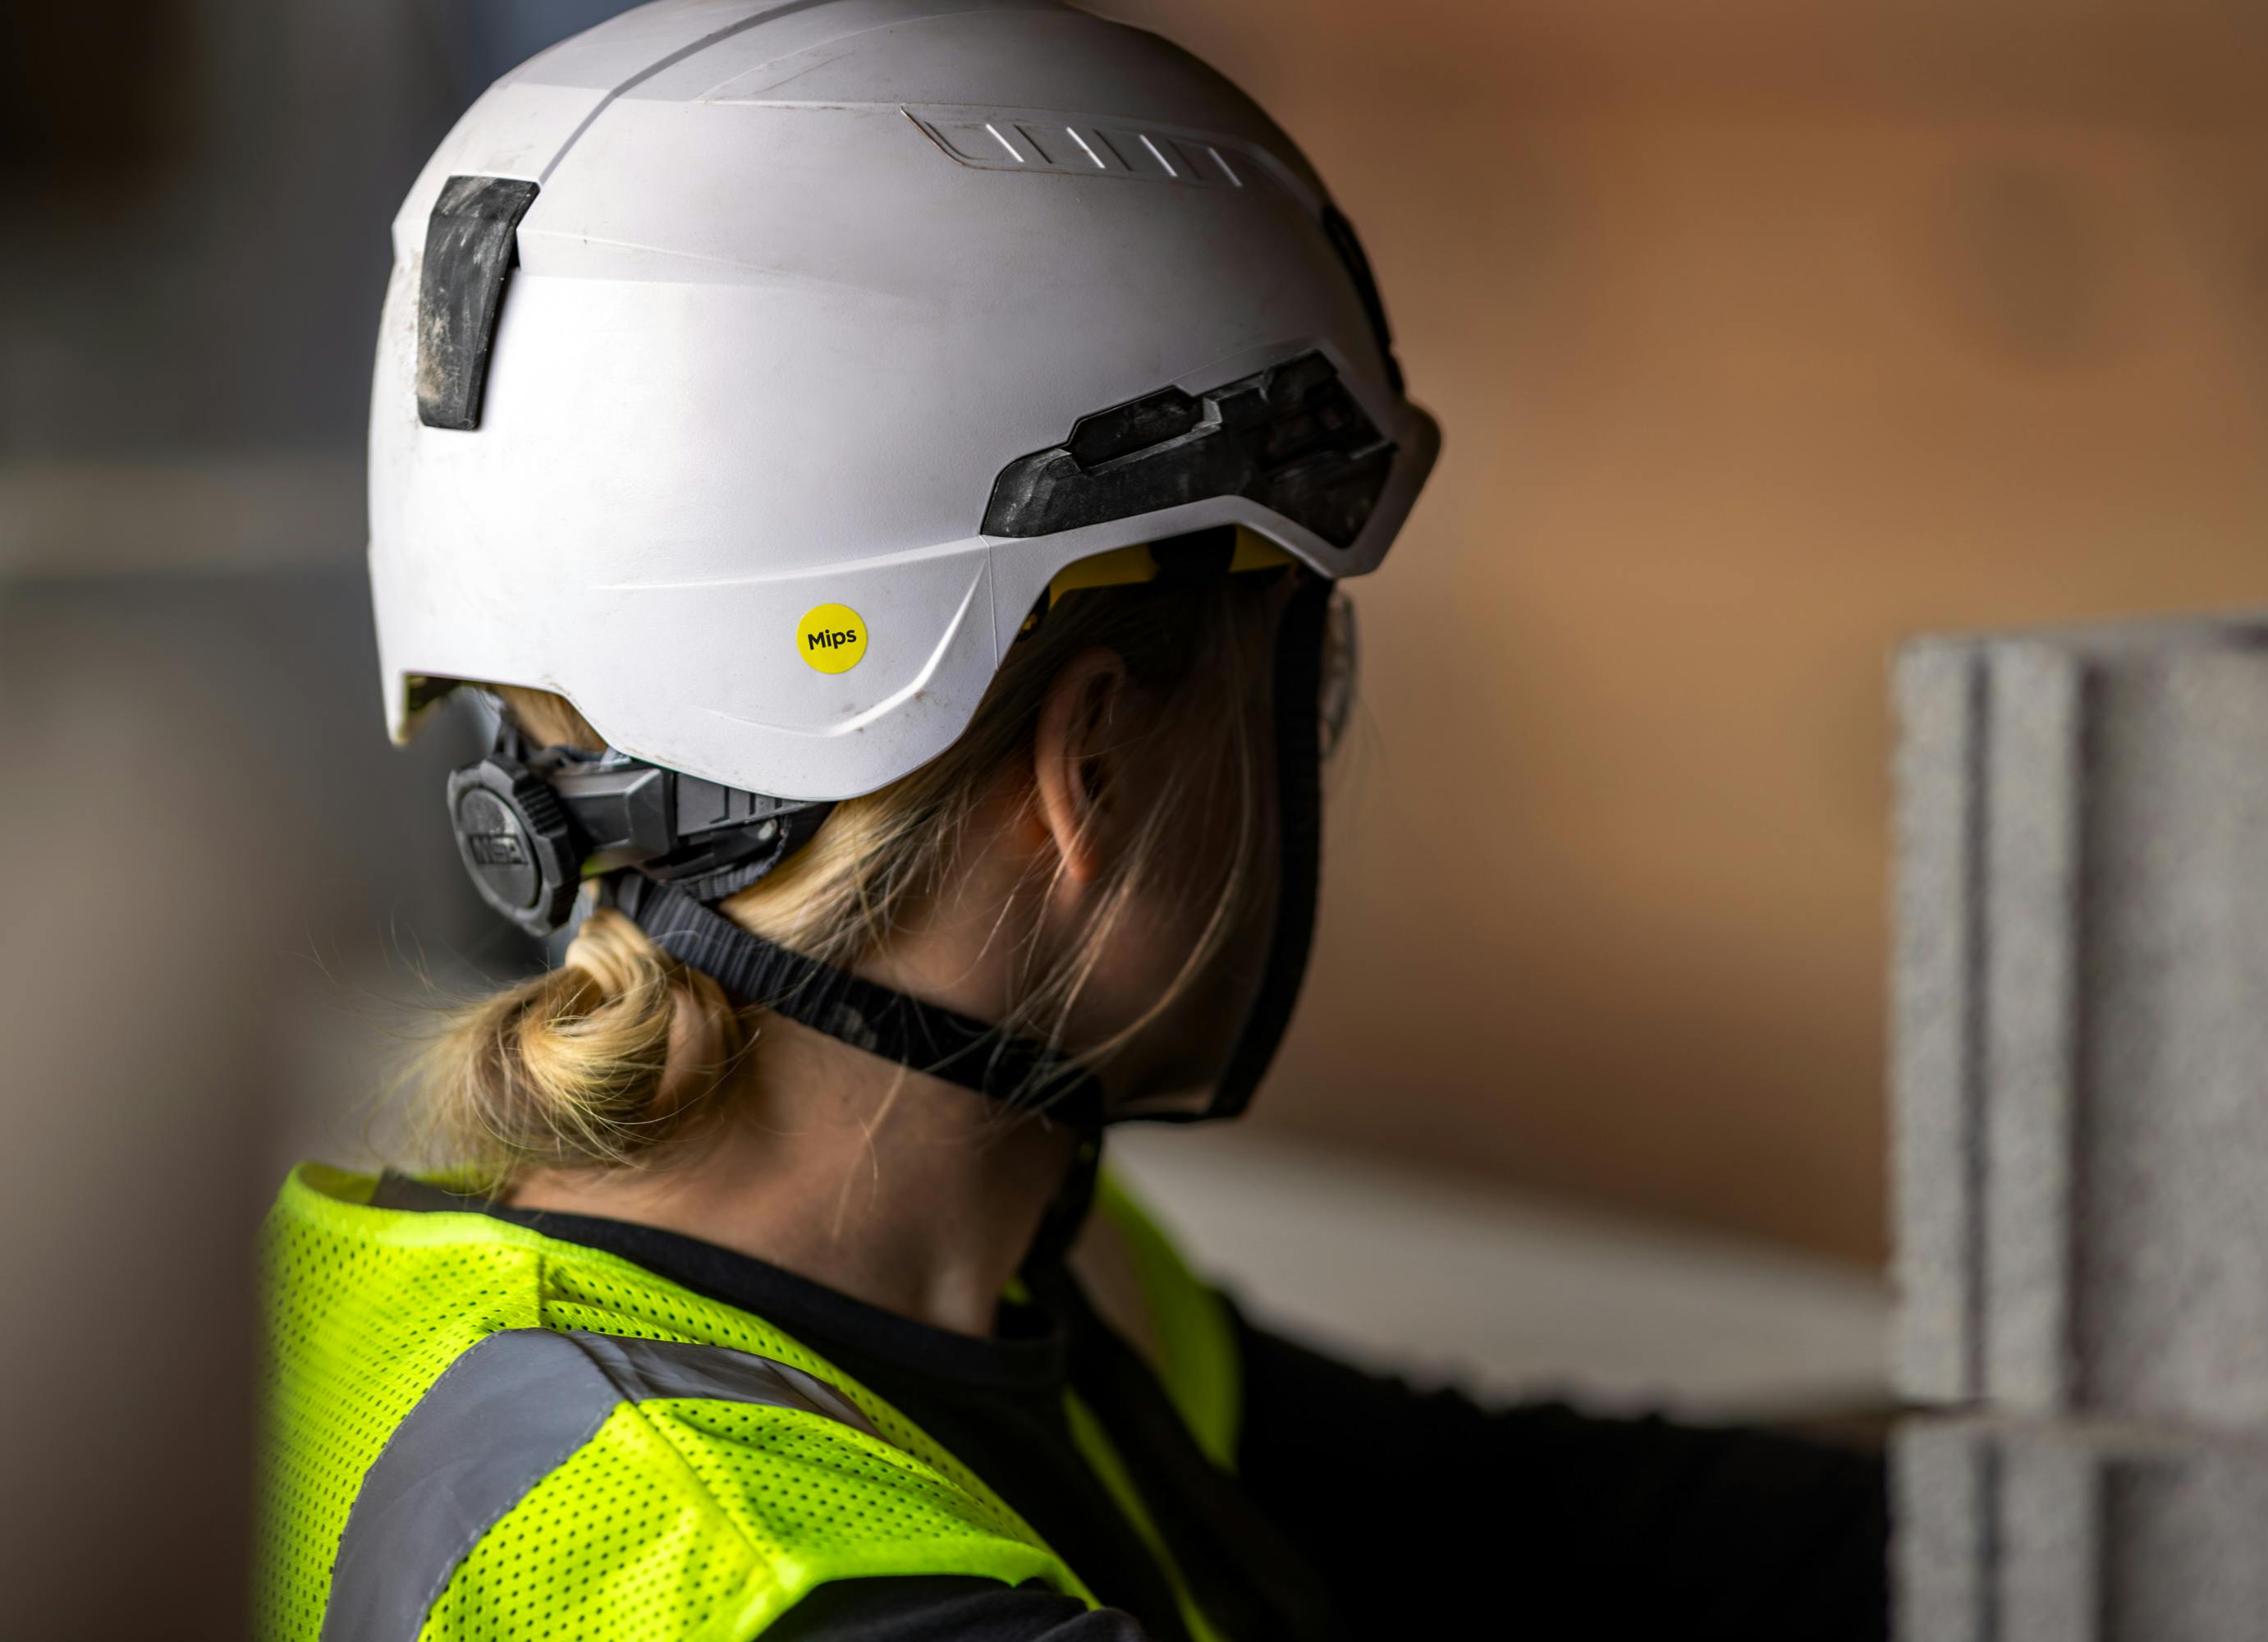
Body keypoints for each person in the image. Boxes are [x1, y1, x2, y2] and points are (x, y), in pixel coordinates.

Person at [256, 2, 1889, 1637]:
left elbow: (1526, 1522)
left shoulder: (941, 1274)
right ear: (1090, 763)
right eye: (1291, 667)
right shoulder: (782, 1592)